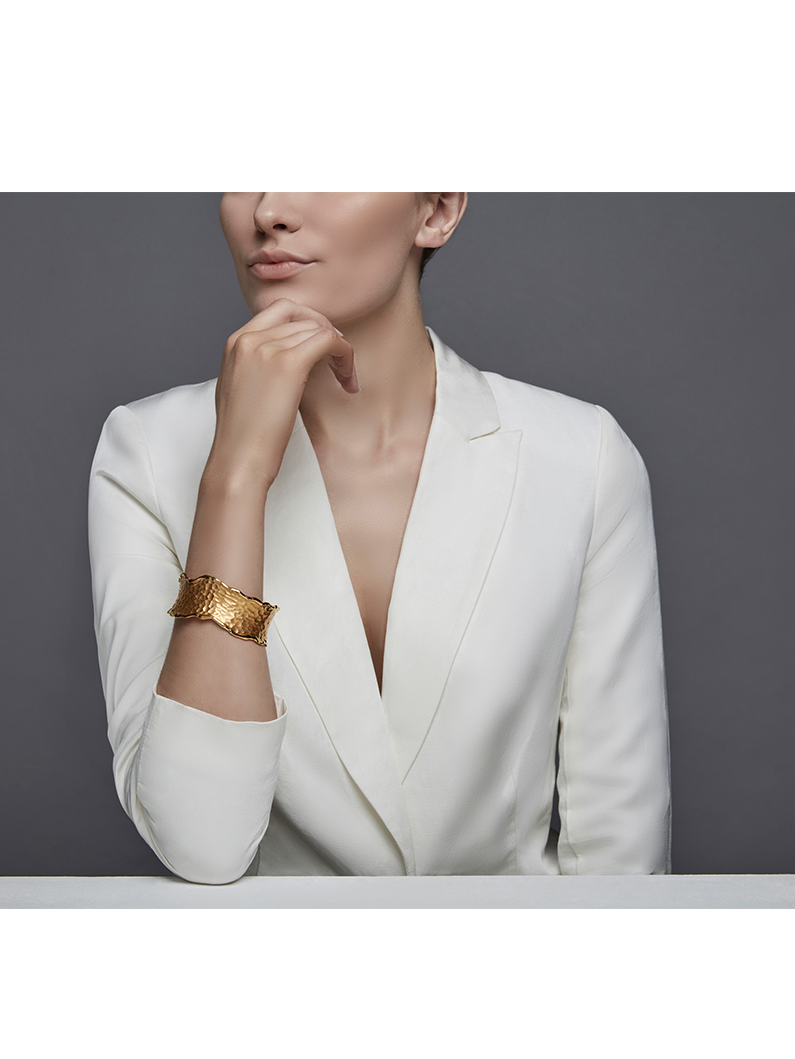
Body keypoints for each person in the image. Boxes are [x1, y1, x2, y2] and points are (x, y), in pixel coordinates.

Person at [88, 193, 671, 884]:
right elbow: (200, 843)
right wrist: (236, 480)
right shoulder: (147, 451)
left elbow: (618, 843)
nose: (269, 209)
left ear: (437, 211)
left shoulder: (580, 457)